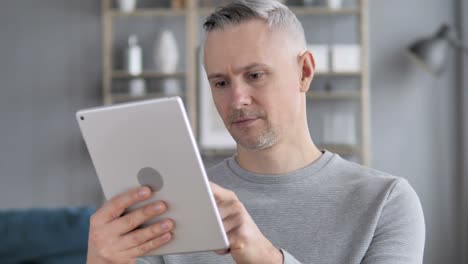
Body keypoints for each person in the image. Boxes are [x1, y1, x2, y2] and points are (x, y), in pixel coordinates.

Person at [86, 1, 425, 263]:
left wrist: (267, 258)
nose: (236, 99)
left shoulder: (386, 203)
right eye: (220, 82)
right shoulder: (173, 207)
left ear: (304, 72)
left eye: (255, 75)